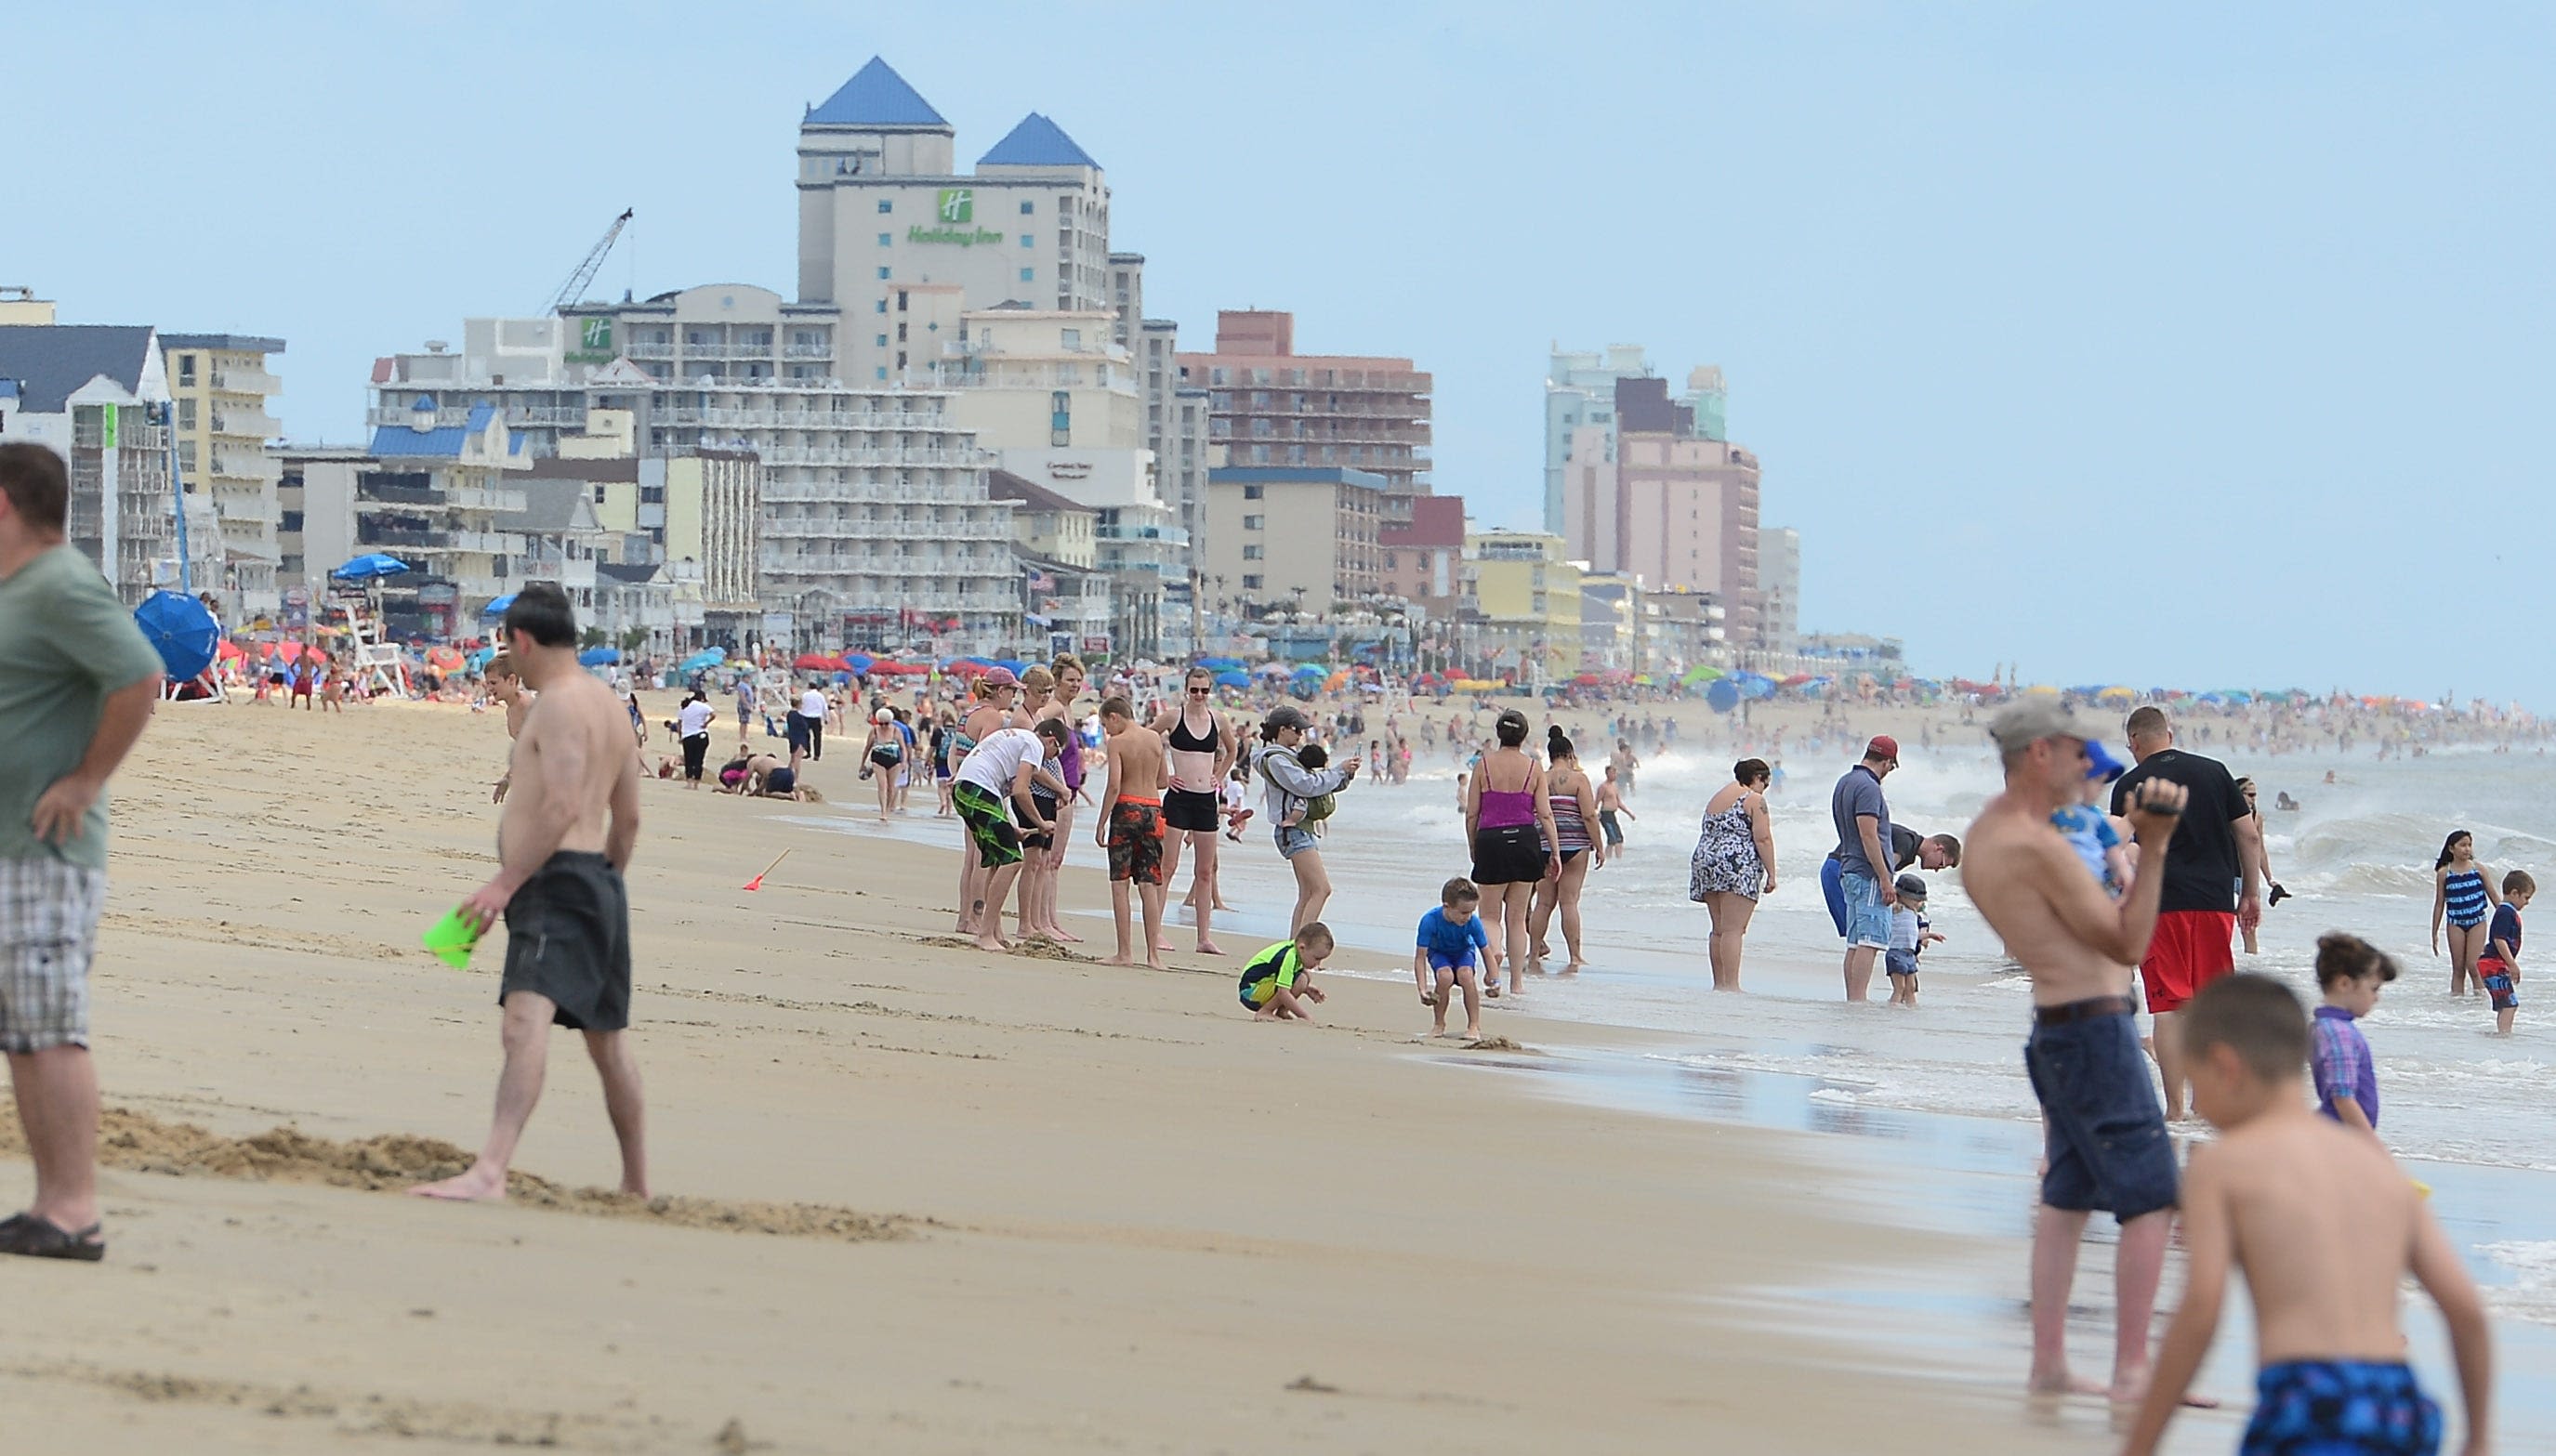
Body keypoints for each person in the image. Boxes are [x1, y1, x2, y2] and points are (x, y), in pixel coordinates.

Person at [2119, 974, 2493, 1456]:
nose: (2200, 1104)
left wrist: (2140, 1444)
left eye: (2196, 1081)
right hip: (2399, 1404)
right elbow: (2465, 1311)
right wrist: (2479, 1439)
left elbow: (2201, 1312)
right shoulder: (2376, 1170)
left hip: (2308, 1401)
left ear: (2225, 1067)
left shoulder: (2222, 1165)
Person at [1961, 698, 2188, 1403]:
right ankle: (2132, 1371)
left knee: (2065, 1197)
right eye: (2075, 753)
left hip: (2056, 1028)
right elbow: (2126, 942)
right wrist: (2153, 845)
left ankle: (2051, 1361)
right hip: (2094, 1028)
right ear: (2040, 754)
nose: (2085, 765)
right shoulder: (2035, 845)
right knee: (2152, 1200)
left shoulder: (1986, 835)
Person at [413, 584, 647, 1204]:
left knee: (525, 1019)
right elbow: (627, 822)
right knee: (606, 1038)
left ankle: (491, 1169)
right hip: (597, 879)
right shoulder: (610, 706)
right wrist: (605, 882)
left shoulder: (560, 705)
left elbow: (564, 802)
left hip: (555, 880)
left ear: (521, 641)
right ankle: (636, 1182)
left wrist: (505, 882)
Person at [0, 442, 165, 1260]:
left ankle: (73, 1209)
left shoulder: (61, 583)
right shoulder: (22, 589)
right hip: (12, 850)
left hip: (45, 853)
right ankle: (50, 1203)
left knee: (50, 1026)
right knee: (24, 1031)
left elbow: (141, 675)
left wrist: (86, 779)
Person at [2112, 705, 2263, 1121]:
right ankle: (2204, 1103)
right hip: (2215, 904)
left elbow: (2120, 848)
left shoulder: (2131, 782)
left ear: (2135, 742)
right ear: (2170, 733)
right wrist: (2250, 892)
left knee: (2168, 1007)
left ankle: (2175, 1110)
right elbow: (2248, 835)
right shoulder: (2215, 772)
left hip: (2160, 905)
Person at [1465, 708, 1561, 997]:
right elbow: (1545, 814)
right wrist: (1554, 852)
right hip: (1525, 841)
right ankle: (1517, 983)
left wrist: (1473, 845)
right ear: (1524, 735)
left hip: (1491, 840)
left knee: (1490, 916)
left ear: (1498, 733)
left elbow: (1472, 813)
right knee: (1517, 918)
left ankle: (1494, 954)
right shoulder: (1534, 768)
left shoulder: (1484, 765)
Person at [950, 715, 1066, 953]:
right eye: (1056, 754)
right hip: (977, 789)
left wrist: (1012, 827)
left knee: (996, 860)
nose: (1048, 761)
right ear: (1052, 741)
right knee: (1013, 859)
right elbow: (1021, 791)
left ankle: (995, 932)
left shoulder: (1016, 738)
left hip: (965, 789)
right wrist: (1040, 822)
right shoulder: (1034, 744)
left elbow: (999, 790)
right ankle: (984, 934)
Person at [1252, 705, 1360, 937]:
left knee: (1308, 892)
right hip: (1293, 830)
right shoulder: (1276, 760)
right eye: (1297, 729)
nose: (1301, 734)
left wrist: (1346, 773)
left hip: (1300, 829)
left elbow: (1316, 783)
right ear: (1282, 730)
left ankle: (1293, 946)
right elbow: (1306, 785)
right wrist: (1339, 770)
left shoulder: (1288, 758)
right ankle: (1304, 948)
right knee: (1322, 889)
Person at [1153, 666, 1236, 954]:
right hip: (1179, 797)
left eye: (1204, 690)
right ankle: (1156, 931)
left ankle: (1204, 938)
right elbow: (1148, 740)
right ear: (1186, 689)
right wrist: (1164, 776)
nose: (1199, 695)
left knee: (1204, 870)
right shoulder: (1173, 717)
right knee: (1168, 865)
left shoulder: (1219, 719)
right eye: (1194, 690)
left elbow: (1233, 750)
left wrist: (1220, 776)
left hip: (1206, 800)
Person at [1093, 696, 1170, 969]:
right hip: (1153, 810)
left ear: (1116, 717)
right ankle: (1153, 955)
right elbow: (1163, 780)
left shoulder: (1118, 742)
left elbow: (1114, 785)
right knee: (1149, 884)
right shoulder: (1154, 739)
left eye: (1106, 724)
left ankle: (1125, 952)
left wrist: (1102, 821)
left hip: (1126, 808)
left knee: (1120, 883)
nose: (1107, 731)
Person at [1689, 758, 1777, 991]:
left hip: (1706, 861)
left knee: (1718, 929)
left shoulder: (1718, 797)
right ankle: (1732, 986)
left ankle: (1719, 984)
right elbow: (1762, 838)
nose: (1764, 789)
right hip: (1736, 865)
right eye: (1765, 784)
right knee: (1734, 930)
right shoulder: (1754, 800)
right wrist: (1772, 874)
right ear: (1758, 778)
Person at [1829, 736, 1903, 1003]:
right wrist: (1885, 877)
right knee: (1870, 942)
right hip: (1867, 872)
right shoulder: (1869, 788)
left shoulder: (1845, 782)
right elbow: (1869, 835)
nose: (1889, 773)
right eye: (1891, 767)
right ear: (1886, 762)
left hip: (1849, 866)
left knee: (1855, 941)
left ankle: (1853, 998)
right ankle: (1858, 999)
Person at [1529, 728, 1603, 975]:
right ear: (1571, 754)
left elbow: (1534, 812)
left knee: (1543, 903)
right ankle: (1575, 955)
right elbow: (1589, 816)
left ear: (1550, 755)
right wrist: (1599, 846)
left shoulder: (1540, 777)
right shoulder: (1579, 780)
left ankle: (1533, 951)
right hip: (1575, 844)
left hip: (1544, 845)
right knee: (1569, 902)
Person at [2311, 932, 2396, 1137]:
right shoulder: (2339, 1032)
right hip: (2340, 1139)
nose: (2376, 998)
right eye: (2373, 988)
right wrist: (2373, 1148)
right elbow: (2343, 1097)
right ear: (2344, 984)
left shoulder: (2323, 1027)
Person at [1414, 878, 1489, 1040]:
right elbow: (1420, 958)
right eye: (1463, 912)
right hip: (1439, 953)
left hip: (1463, 952)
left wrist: (1494, 979)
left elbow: (1485, 951)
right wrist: (1422, 989)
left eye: (1471, 912)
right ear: (1447, 906)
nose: (1468, 917)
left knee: (1466, 975)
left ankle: (1474, 1025)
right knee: (1445, 976)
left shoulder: (1473, 922)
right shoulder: (1429, 920)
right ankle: (1439, 1024)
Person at [2430, 830, 2498, 999]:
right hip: (2455, 922)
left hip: (2477, 921)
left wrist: (2509, 916)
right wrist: (2434, 932)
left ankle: (2480, 1002)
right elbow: (2439, 904)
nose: (2467, 849)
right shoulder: (2444, 873)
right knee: (2458, 968)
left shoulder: (2479, 869)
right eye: (2462, 845)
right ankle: (2457, 1005)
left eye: (2469, 845)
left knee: (2473, 966)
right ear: (2452, 849)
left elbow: (2494, 896)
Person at [1238, 923, 1333, 1022]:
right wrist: (1305, 1016)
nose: (1318, 964)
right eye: (1316, 958)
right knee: (1301, 979)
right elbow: (1283, 991)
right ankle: (1265, 1011)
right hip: (1251, 993)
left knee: (1305, 976)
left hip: (1260, 986)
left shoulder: (1295, 951)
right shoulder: (1289, 956)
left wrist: (1306, 988)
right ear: (1302, 948)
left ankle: (1282, 1012)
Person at [2480, 870, 2529, 1037]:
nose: (2527, 902)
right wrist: (2512, 964)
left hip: (2494, 964)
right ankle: (2504, 1035)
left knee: (2506, 1004)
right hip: (2493, 964)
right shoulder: (2505, 912)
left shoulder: (2506, 911)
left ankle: (2502, 1033)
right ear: (2515, 893)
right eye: (2526, 897)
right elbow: (2499, 940)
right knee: (2509, 1004)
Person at [1885, 874, 1940, 1008]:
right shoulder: (1896, 909)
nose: (1918, 902)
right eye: (1915, 899)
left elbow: (1914, 936)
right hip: (1896, 953)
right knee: (1900, 988)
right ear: (1902, 896)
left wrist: (1930, 935)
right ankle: (1893, 1009)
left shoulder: (1914, 914)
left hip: (1909, 955)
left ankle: (1912, 1010)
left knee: (1911, 988)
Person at [861, 706, 903, 821]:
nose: (884, 726)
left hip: (894, 762)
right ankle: (883, 811)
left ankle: (888, 808)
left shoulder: (896, 731)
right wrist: (862, 764)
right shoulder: (874, 730)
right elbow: (867, 748)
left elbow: (903, 748)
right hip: (878, 761)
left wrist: (905, 763)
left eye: (886, 724)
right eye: (881, 723)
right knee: (882, 785)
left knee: (891, 787)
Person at [674, 690, 716, 791]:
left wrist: (680, 736)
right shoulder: (703, 706)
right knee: (699, 760)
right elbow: (713, 715)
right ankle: (696, 784)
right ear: (702, 698)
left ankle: (689, 783)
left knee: (689, 760)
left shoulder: (684, 707)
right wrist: (706, 723)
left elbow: (679, 724)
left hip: (688, 736)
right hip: (701, 735)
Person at [1596, 765, 1636, 856]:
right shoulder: (1603, 787)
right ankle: (1606, 858)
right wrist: (1595, 815)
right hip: (1605, 815)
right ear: (1607, 774)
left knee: (1619, 839)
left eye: (1615, 773)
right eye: (1613, 773)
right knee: (1612, 840)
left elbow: (1619, 803)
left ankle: (1618, 861)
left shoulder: (1615, 786)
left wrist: (1629, 813)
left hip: (1613, 814)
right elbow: (1596, 802)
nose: (1615, 775)